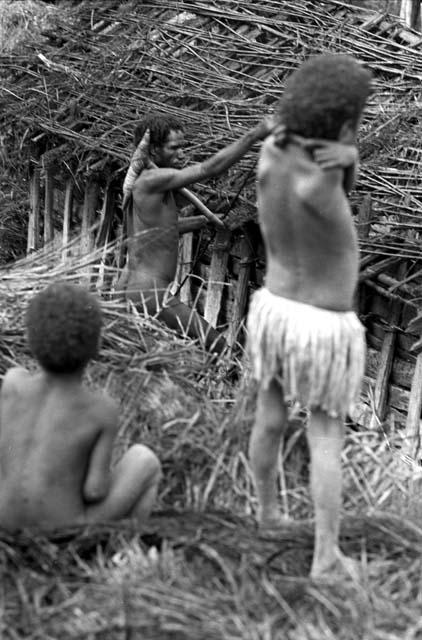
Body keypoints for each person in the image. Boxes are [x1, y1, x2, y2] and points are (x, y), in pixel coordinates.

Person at [246, 54, 372, 578]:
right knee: (325, 437)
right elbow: (334, 192)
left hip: (275, 308)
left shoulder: (271, 157)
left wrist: (344, 155)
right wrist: (349, 157)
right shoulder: (324, 181)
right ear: (344, 126)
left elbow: (317, 177)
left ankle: (267, 514)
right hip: (323, 323)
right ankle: (325, 557)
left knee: (270, 416)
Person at [0, 282, 161, 531]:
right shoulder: (100, 409)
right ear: (96, 346)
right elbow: (95, 491)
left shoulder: (12, 383)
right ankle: (120, 551)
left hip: (5, 522)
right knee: (145, 460)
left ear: (30, 340)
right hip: (61, 531)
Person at [117, 113, 276, 354]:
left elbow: (161, 231)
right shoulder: (154, 179)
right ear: (153, 152)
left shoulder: (147, 184)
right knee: (221, 349)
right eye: (174, 148)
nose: (182, 153)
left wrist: (203, 221)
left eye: (183, 147)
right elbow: (210, 168)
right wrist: (256, 134)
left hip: (138, 289)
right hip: (151, 293)